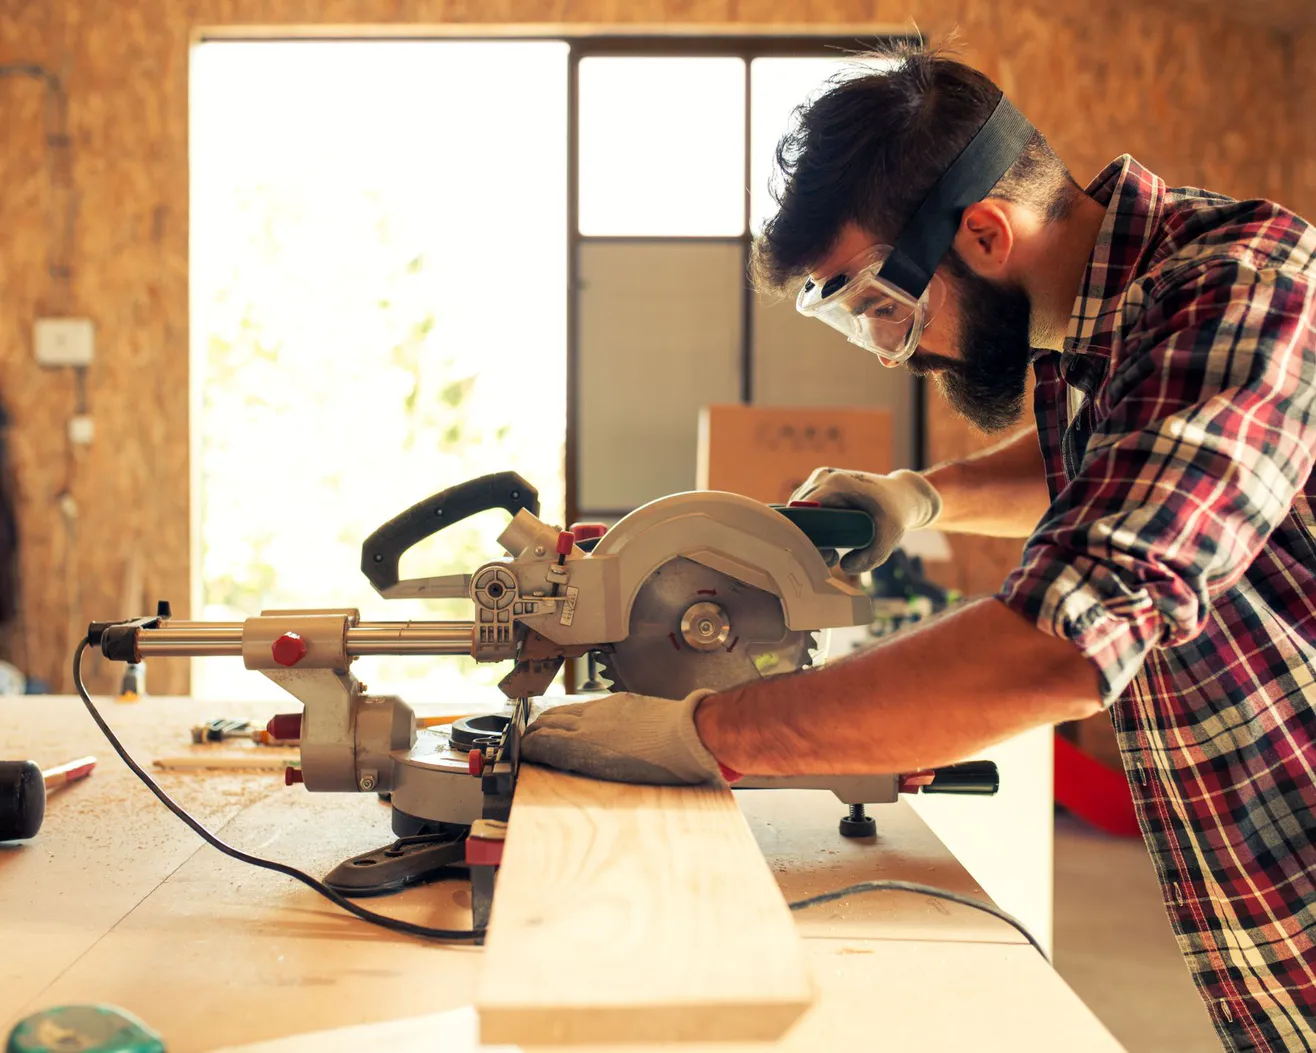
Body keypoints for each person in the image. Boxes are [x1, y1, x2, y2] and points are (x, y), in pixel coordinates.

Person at [522, 45, 1316, 1052]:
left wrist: (704, 733)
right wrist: (917, 498)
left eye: (885, 314)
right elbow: (1117, 454)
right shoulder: (1127, 318)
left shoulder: (1244, 292)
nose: (908, 354)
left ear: (981, 230)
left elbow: (1057, 647)